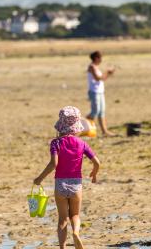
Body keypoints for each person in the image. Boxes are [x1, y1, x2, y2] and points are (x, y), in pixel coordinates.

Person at [34, 106, 101, 249]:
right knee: (75, 215)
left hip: (60, 185)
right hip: (76, 185)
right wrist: (94, 173)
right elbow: (97, 162)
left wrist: (39, 179)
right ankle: (76, 233)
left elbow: (54, 164)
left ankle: (62, 247)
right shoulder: (82, 143)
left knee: (62, 219)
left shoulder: (56, 143)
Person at [87, 51, 115, 136]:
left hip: (100, 91)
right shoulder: (92, 67)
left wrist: (109, 74)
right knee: (94, 112)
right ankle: (83, 127)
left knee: (101, 112)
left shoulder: (96, 67)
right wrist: (107, 72)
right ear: (96, 58)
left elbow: (102, 78)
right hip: (94, 92)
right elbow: (97, 78)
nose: (101, 60)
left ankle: (104, 131)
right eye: (100, 58)